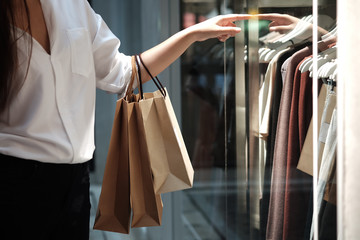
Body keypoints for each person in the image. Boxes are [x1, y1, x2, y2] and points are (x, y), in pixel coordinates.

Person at [0, 0, 249, 239]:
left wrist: (192, 34)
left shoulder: (72, 5)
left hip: (75, 184)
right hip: (13, 182)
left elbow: (123, 73)